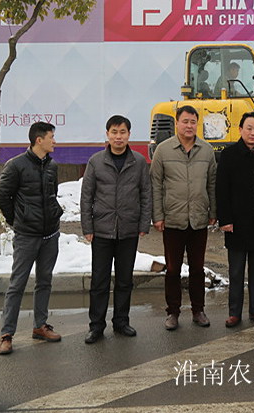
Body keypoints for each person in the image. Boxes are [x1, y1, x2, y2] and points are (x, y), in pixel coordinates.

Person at [80, 115, 152, 344]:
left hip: (128, 230)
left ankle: (121, 322)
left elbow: (146, 194)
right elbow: (86, 197)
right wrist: (87, 226)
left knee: (124, 280)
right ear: (107, 134)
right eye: (114, 132)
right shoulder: (96, 161)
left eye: (122, 132)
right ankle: (96, 326)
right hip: (102, 230)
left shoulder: (138, 162)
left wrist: (143, 224)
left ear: (129, 135)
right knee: (99, 281)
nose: (118, 137)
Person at [0, 122, 64, 355]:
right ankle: (6, 334)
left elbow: (52, 194)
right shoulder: (16, 166)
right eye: (51, 137)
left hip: (50, 234)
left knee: (44, 281)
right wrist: (17, 220)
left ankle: (40, 326)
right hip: (27, 236)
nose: (54, 141)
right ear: (39, 140)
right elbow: (3, 196)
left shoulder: (52, 166)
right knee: (17, 284)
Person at [150, 105, 217, 331]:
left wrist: (213, 212)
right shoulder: (163, 150)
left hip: (198, 219)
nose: (189, 126)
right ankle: (173, 312)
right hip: (173, 219)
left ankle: (198, 310)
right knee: (172, 269)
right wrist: (158, 216)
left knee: (197, 268)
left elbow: (212, 184)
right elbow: (155, 185)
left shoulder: (206, 151)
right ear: (177, 123)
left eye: (193, 122)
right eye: (185, 121)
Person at [216, 112, 254, 327]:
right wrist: (225, 219)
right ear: (240, 129)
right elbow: (221, 190)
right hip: (236, 223)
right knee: (236, 270)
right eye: (249, 128)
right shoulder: (229, 155)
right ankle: (234, 312)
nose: (253, 133)